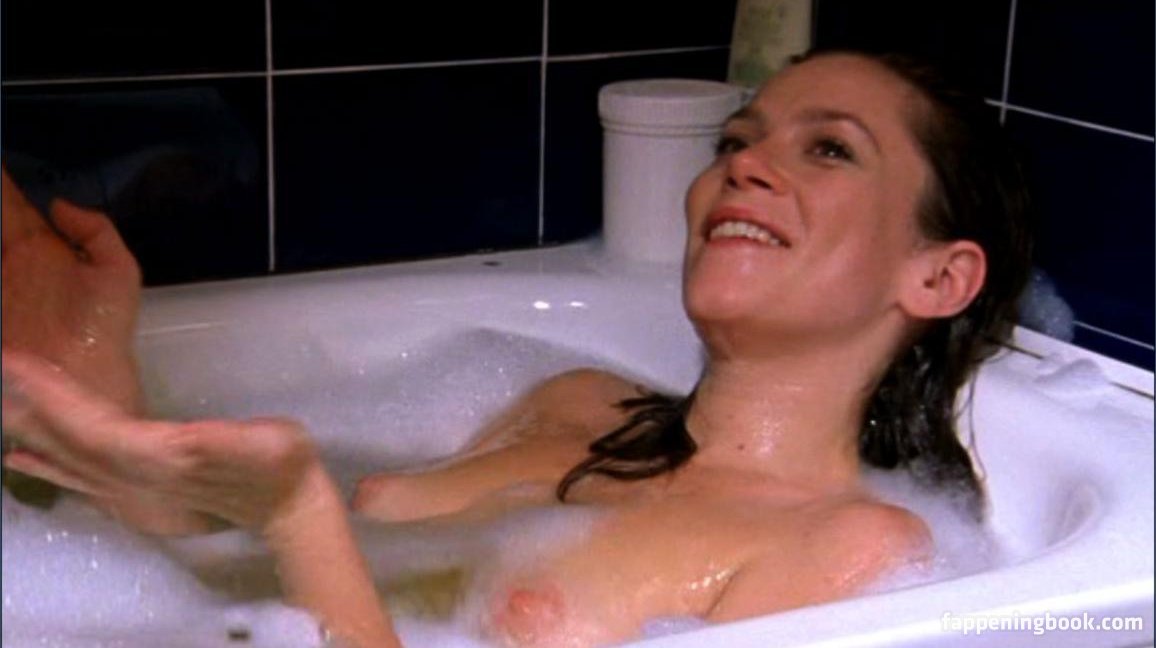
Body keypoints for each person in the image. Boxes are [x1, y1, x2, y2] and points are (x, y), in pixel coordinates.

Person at [0, 48, 1033, 648]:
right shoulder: (571, 401)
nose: (748, 163)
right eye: (736, 140)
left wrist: (299, 514)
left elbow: (304, 554)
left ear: (938, 279)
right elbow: (226, 595)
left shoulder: (853, 552)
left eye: (829, 149)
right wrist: (103, 398)